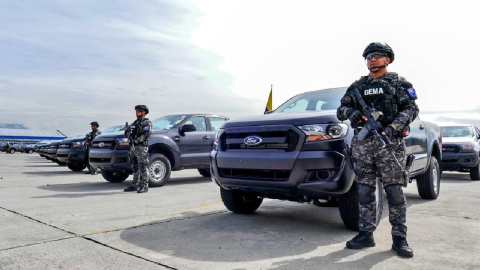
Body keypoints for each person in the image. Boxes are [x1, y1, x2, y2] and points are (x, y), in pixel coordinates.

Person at [337, 42, 419, 258]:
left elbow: (411, 109)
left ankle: (399, 238)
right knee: (364, 190)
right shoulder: (357, 87)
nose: (372, 59)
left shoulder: (398, 83)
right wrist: (351, 113)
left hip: (389, 143)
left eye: (377, 55)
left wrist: (393, 127)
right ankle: (366, 234)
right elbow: (340, 110)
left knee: (394, 191)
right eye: (368, 56)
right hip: (363, 146)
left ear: (387, 59)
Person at [123, 105, 152, 193]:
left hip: (141, 147)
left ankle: (144, 186)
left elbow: (146, 134)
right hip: (134, 148)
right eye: (136, 111)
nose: (136, 112)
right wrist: (127, 132)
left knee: (143, 166)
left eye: (138, 111)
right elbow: (130, 132)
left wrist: (136, 141)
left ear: (143, 112)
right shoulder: (135, 122)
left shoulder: (146, 122)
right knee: (134, 166)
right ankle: (135, 184)